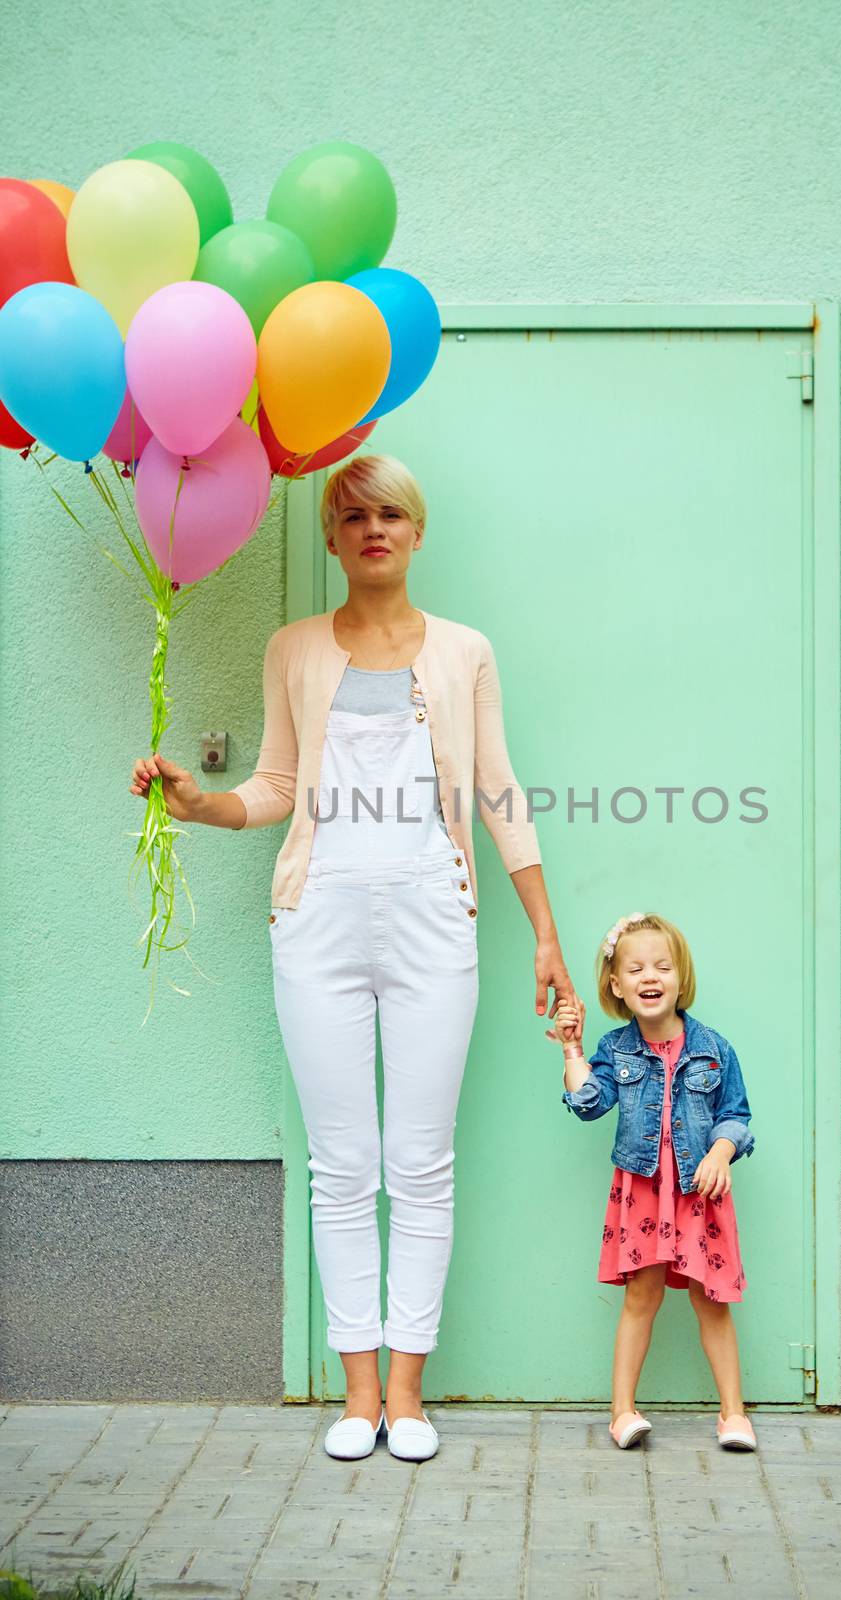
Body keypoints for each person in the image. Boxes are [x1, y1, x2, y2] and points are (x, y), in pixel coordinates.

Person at [130, 453, 584, 1463]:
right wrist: (201, 805)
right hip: (317, 917)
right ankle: (357, 1392)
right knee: (342, 1164)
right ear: (331, 539)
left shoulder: (464, 651)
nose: (372, 528)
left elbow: (498, 791)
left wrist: (544, 933)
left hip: (435, 916)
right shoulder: (292, 646)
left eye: (390, 514)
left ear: (415, 532)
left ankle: (409, 1396)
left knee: (418, 1162)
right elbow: (276, 785)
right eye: (352, 516)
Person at [549, 910, 756, 1450]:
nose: (650, 977)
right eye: (635, 968)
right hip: (643, 1192)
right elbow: (589, 1102)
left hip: (698, 1194)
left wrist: (720, 1151)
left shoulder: (714, 1048)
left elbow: (737, 1115)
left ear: (680, 979)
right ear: (616, 984)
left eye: (662, 966)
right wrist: (573, 1048)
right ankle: (622, 1412)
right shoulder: (617, 1050)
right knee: (641, 1297)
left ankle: (734, 1415)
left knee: (712, 1302)